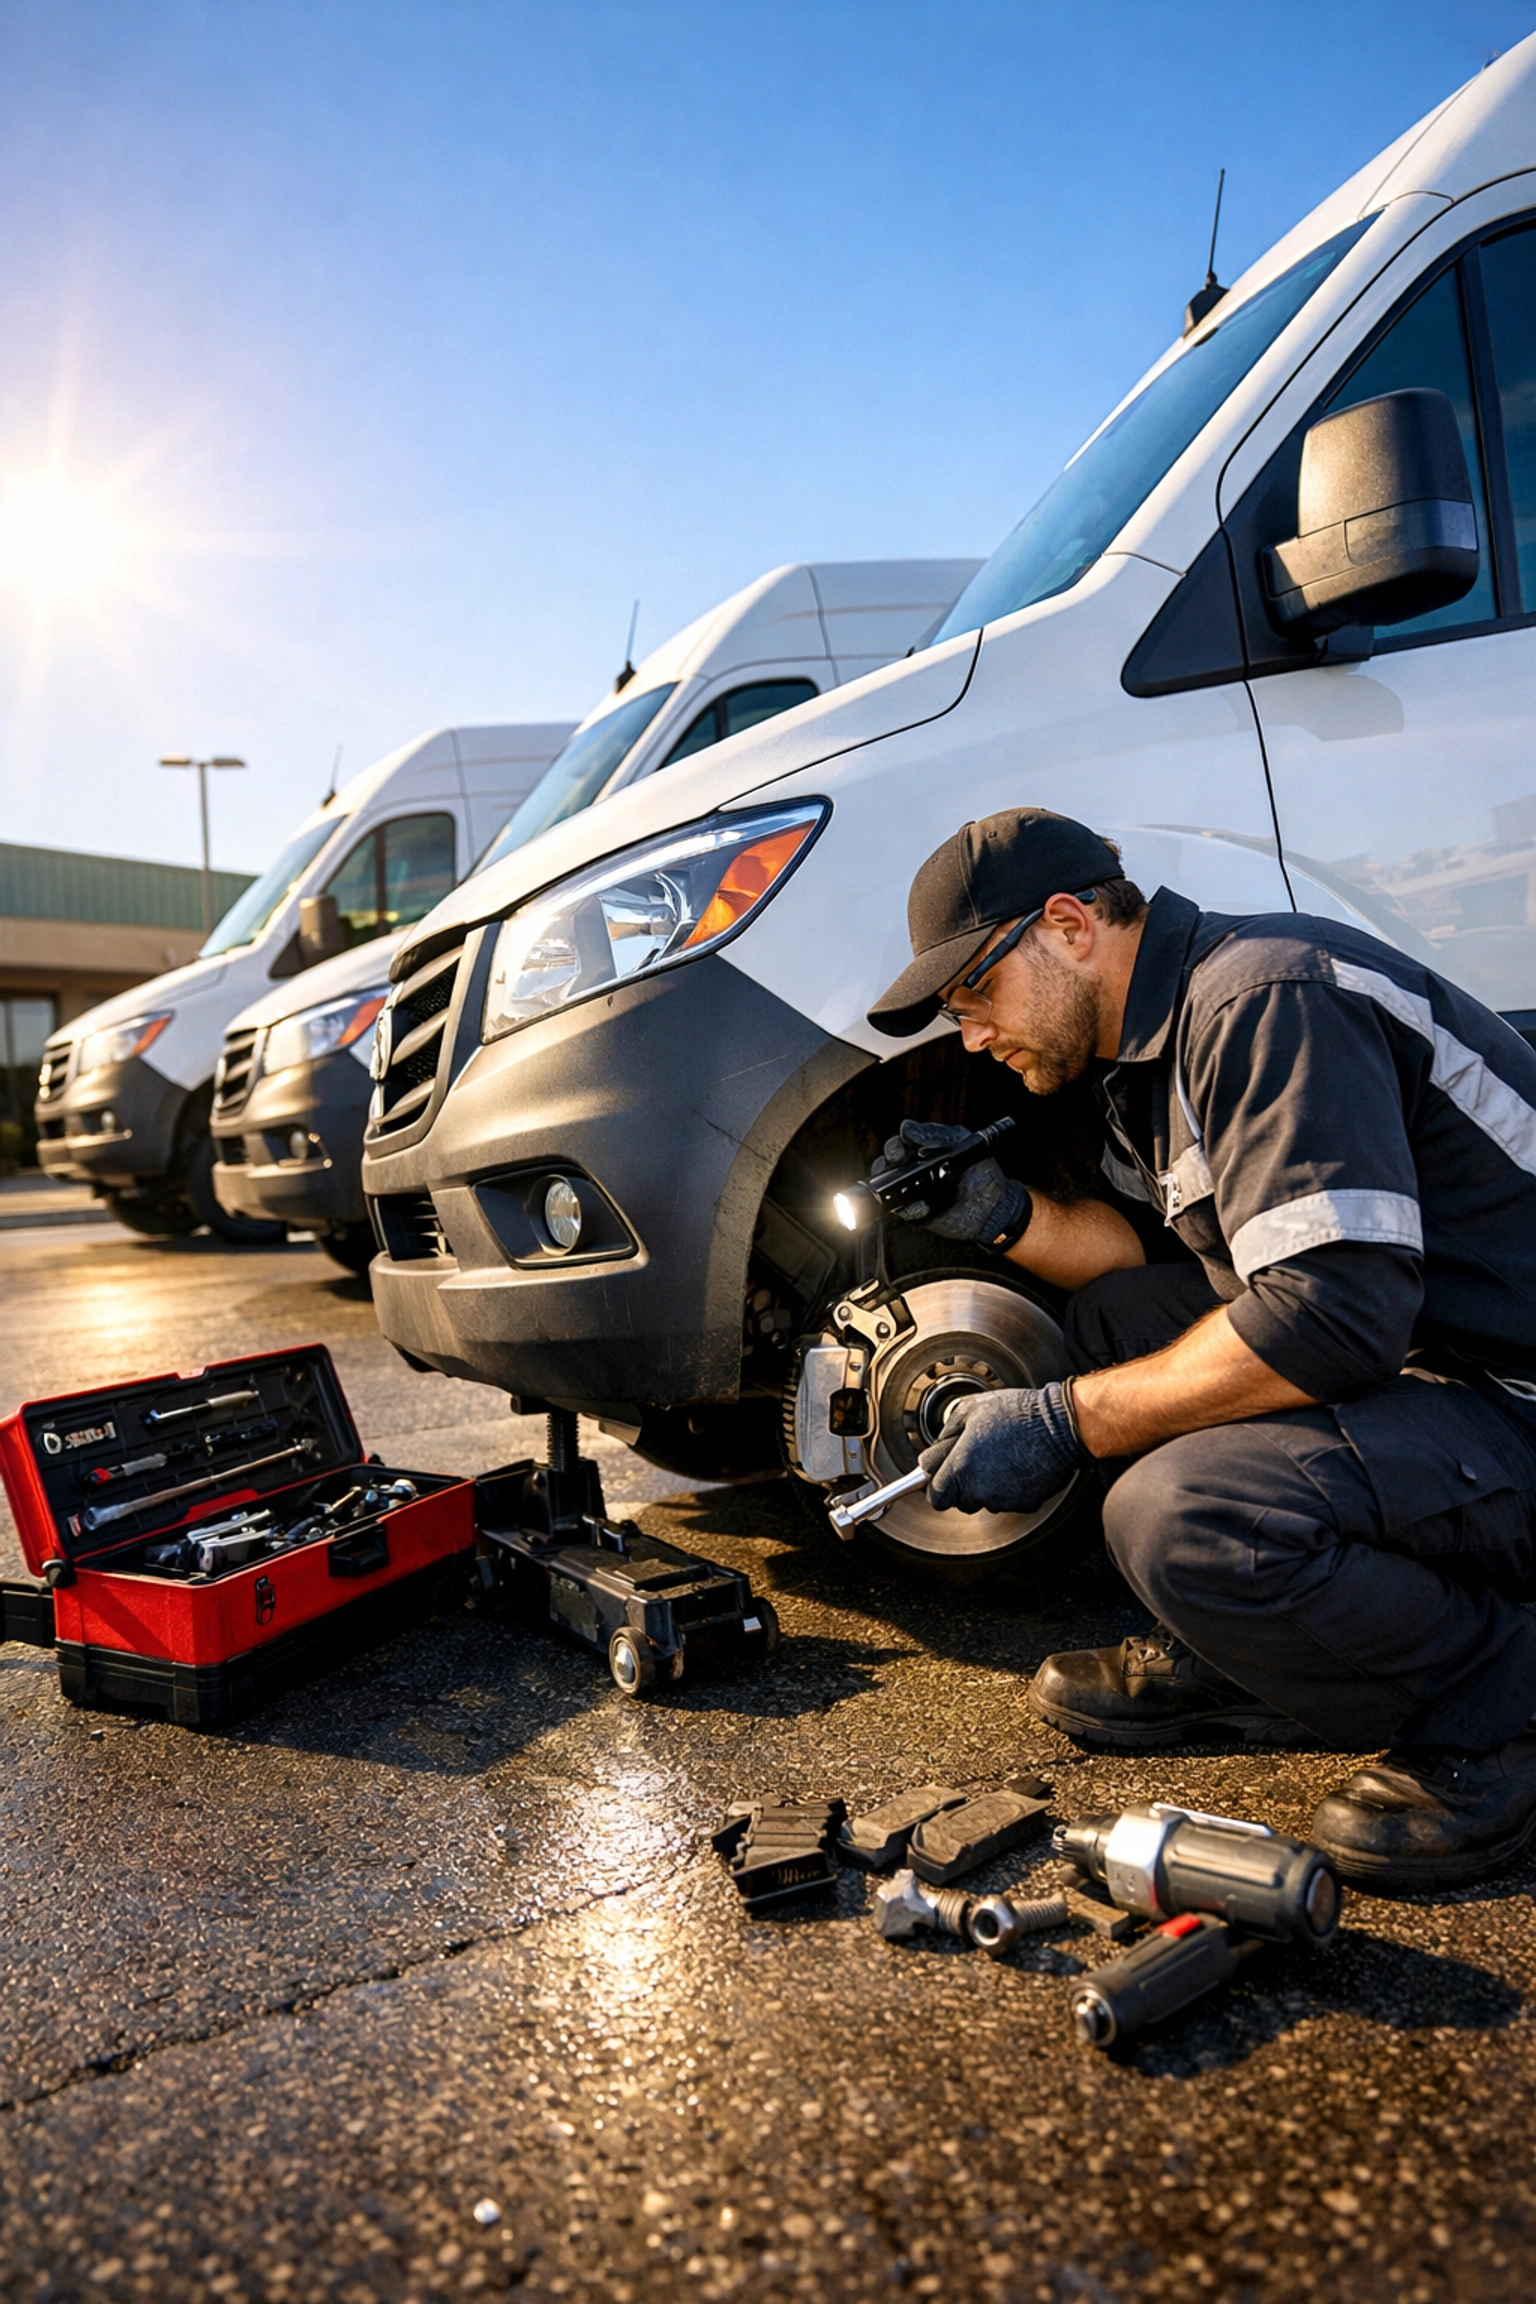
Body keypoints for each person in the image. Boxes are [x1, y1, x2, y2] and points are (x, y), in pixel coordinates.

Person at [865, 806, 1536, 1894]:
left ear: (1071, 926)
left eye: (974, 994)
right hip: (1441, 1362)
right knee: (1117, 1323)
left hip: (1516, 1394)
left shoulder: (1267, 1001)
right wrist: (996, 1213)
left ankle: (1501, 1698)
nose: (972, 1036)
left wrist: (1064, 1418)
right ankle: (1260, 1659)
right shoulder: (1148, 1052)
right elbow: (1156, 1256)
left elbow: (1331, 1315)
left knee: (1180, 1514)